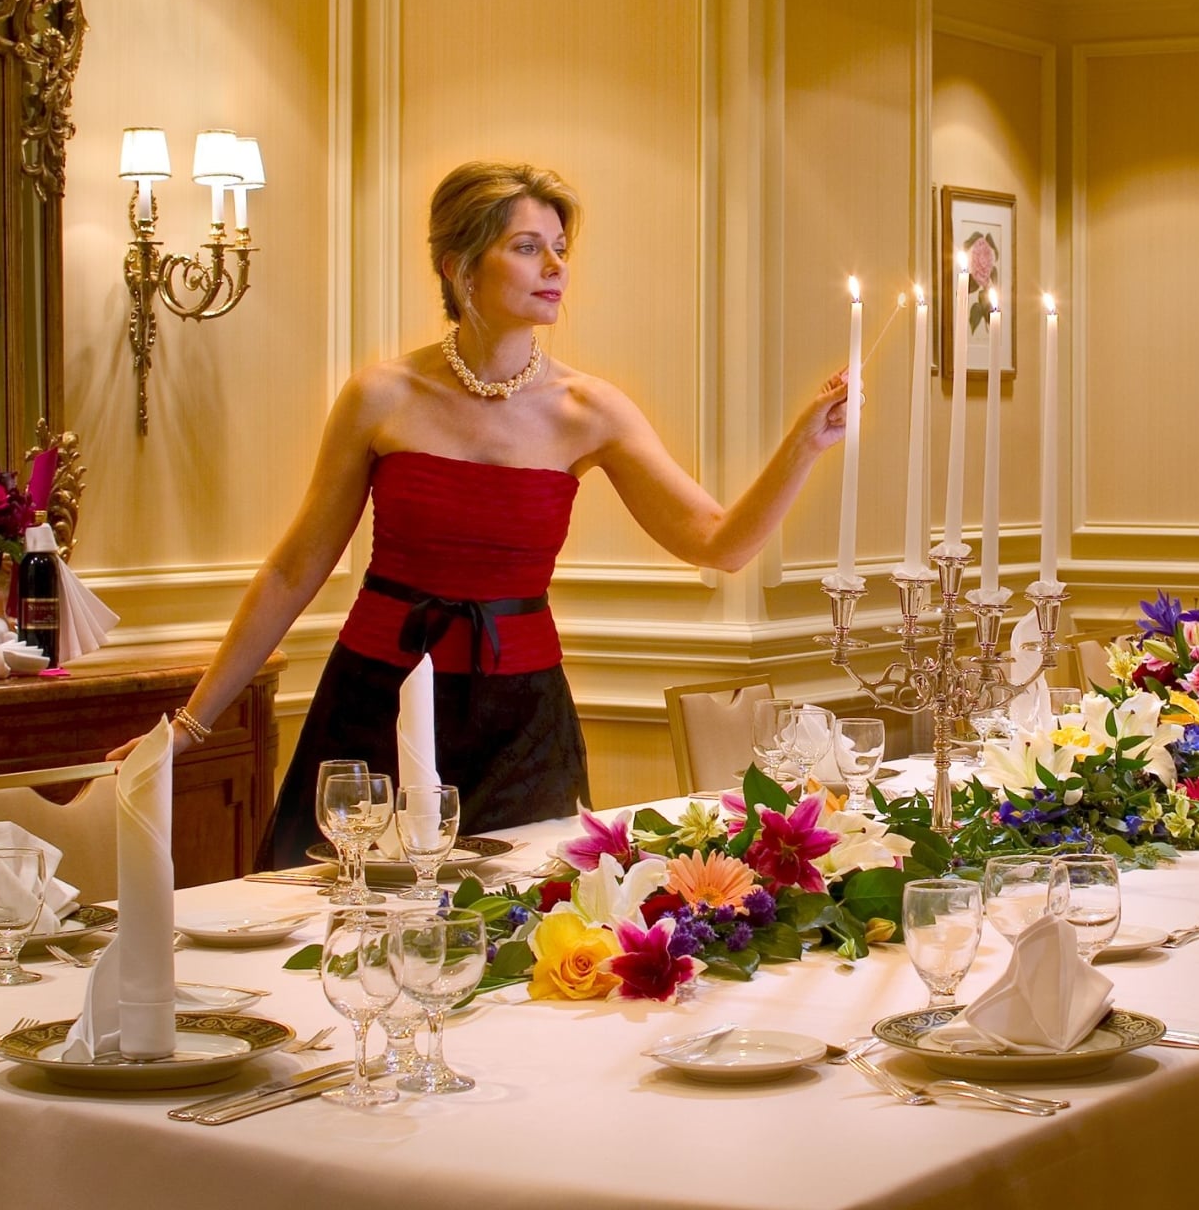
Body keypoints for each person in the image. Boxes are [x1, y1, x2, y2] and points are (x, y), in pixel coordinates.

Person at [110, 160, 847, 867]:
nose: (556, 267)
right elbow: (293, 568)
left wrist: (803, 445)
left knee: (510, 936)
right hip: (371, 702)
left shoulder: (589, 410)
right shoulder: (382, 396)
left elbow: (720, 544)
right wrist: (189, 728)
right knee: (341, 918)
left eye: (560, 248)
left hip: (520, 722)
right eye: (528, 248)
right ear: (460, 266)